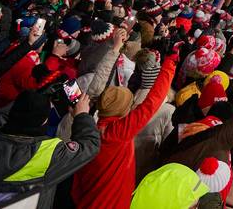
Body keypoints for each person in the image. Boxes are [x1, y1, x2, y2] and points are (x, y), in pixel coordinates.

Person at [71, 48, 178, 208]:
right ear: (123, 109)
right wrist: (170, 62)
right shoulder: (118, 132)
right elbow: (152, 101)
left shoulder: (86, 132)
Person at [0, 89, 101, 206]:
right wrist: (82, 114)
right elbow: (90, 144)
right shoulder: (47, 154)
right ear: (44, 122)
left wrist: (34, 97)